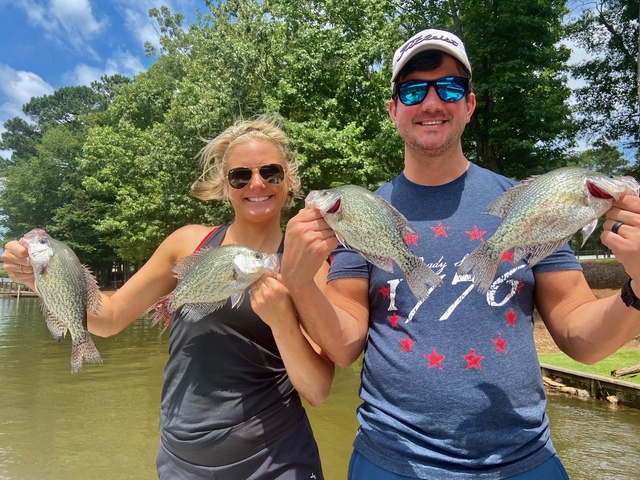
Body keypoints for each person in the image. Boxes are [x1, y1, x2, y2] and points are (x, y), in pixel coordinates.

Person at [281, 28, 640, 479]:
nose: (431, 103)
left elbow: (579, 336)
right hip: (391, 461)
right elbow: (345, 345)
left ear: (469, 105)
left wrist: (639, 287)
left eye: (449, 87)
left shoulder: (531, 203)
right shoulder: (358, 212)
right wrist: (296, 282)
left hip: (522, 460)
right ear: (394, 110)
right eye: (413, 90)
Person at [1, 115, 333, 480]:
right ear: (225, 186)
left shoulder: (311, 262)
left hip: (275, 460)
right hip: (181, 461)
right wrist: (39, 280)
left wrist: (282, 319)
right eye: (241, 176)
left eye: (270, 173)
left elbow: (317, 389)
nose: (257, 184)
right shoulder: (187, 242)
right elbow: (109, 318)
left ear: (289, 181)